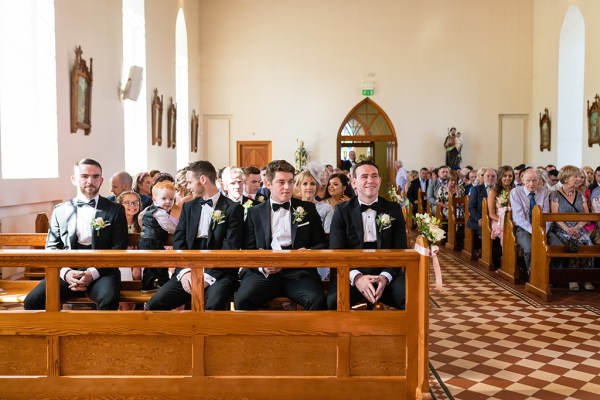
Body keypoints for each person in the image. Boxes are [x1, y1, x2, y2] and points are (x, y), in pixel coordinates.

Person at [23, 158, 128, 310]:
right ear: (74, 179)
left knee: (109, 299)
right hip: (67, 269)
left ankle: (99, 334)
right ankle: (56, 332)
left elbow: (118, 248)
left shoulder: (115, 210)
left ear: (101, 180)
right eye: (84, 176)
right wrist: (66, 272)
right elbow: (52, 247)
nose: (90, 181)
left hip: (102, 270)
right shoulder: (60, 210)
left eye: (95, 176)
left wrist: (92, 273)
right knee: (32, 302)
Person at [145, 161, 244, 311]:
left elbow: (230, 247)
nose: (188, 187)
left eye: (190, 182)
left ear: (203, 180)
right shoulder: (189, 207)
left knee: (212, 306)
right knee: (154, 304)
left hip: (220, 272)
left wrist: (207, 276)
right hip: (189, 268)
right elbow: (179, 241)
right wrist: (185, 272)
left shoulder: (233, 208)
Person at [235, 160, 327, 311]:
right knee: (243, 299)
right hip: (265, 274)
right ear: (268, 183)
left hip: (299, 272)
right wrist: (262, 266)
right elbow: (247, 249)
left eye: (290, 182)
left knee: (316, 300)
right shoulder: (254, 212)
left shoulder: (307, 209)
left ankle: (307, 334)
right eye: (281, 182)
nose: (287, 187)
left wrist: (308, 253)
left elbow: (321, 243)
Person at [327, 160, 407, 310]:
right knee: (332, 303)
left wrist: (385, 276)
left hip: (387, 269)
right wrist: (357, 278)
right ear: (354, 182)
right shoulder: (341, 211)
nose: (370, 181)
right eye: (364, 176)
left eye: (374, 176)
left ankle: (402, 333)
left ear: (380, 181)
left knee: (411, 299)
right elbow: (336, 251)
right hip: (352, 269)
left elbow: (401, 249)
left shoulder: (393, 209)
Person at [510, 168, 561, 279]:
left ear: (539, 180)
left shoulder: (544, 191)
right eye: (528, 180)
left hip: (542, 227)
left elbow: (546, 213)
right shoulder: (516, 192)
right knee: (530, 248)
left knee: (558, 246)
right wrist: (534, 230)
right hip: (523, 228)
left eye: (534, 180)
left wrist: (543, 231)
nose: (531, 184)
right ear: (522, 179)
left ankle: (549, 274)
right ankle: (533, 274)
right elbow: (518, 218)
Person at [550, 166, 594, 291]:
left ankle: (586, 278)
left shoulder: (580, 195)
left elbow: (586, 214)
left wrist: (577, 227)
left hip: (578, 226)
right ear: (565, 179)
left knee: (588, 243)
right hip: (562, 228)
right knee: (573, 243)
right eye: (574, 176)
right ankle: (572, 278)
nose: (578, 179)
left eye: (578, 176)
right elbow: (555, 216)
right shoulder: (555, 194)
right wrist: (568, 229)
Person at [138, 181, 178, 290]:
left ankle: (147, 286)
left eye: (171, 199)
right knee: (160, 265)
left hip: (145, 240)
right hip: (152, 242)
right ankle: (164, 284)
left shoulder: (148, 210)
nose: (168, 202)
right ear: (154, 199)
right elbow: (168, 226)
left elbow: (141, 220)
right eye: (164, 198)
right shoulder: (159, 212)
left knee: (149, 267)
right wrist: (178, 231)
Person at [488, 166, 515, 248]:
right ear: (500, 177)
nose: (507, 178)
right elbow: (491, 214)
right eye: (505, 176)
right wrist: (505, 221)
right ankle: (506, 255)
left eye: (510, 176)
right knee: (507, 231)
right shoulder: (493, 191)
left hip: (513, 219)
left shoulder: (515, 190)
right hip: (498, 220)